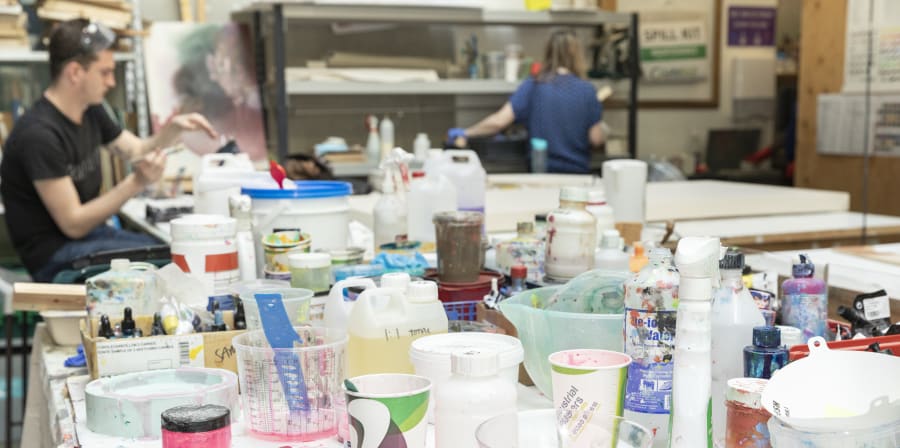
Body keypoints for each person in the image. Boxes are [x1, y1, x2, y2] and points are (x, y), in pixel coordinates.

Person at [0, 19, 218, 282]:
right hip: (54, 258)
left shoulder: (90, 110)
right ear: (75, 73)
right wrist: (137, 182)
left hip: (89, 237)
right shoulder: (39, 134)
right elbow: (74, 223)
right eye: (104, 72)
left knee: (164, 245)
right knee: (169, 262)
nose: (112, 82)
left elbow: (137, 149)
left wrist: (173, 129)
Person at [448, 30, 605, 174]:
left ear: (548, 52)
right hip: (577, 175)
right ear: (576, 55)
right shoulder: (587, 90)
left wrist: (466, 132)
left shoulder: (535, 84)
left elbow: (498, 122)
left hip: (542, 174)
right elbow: (596, 139)